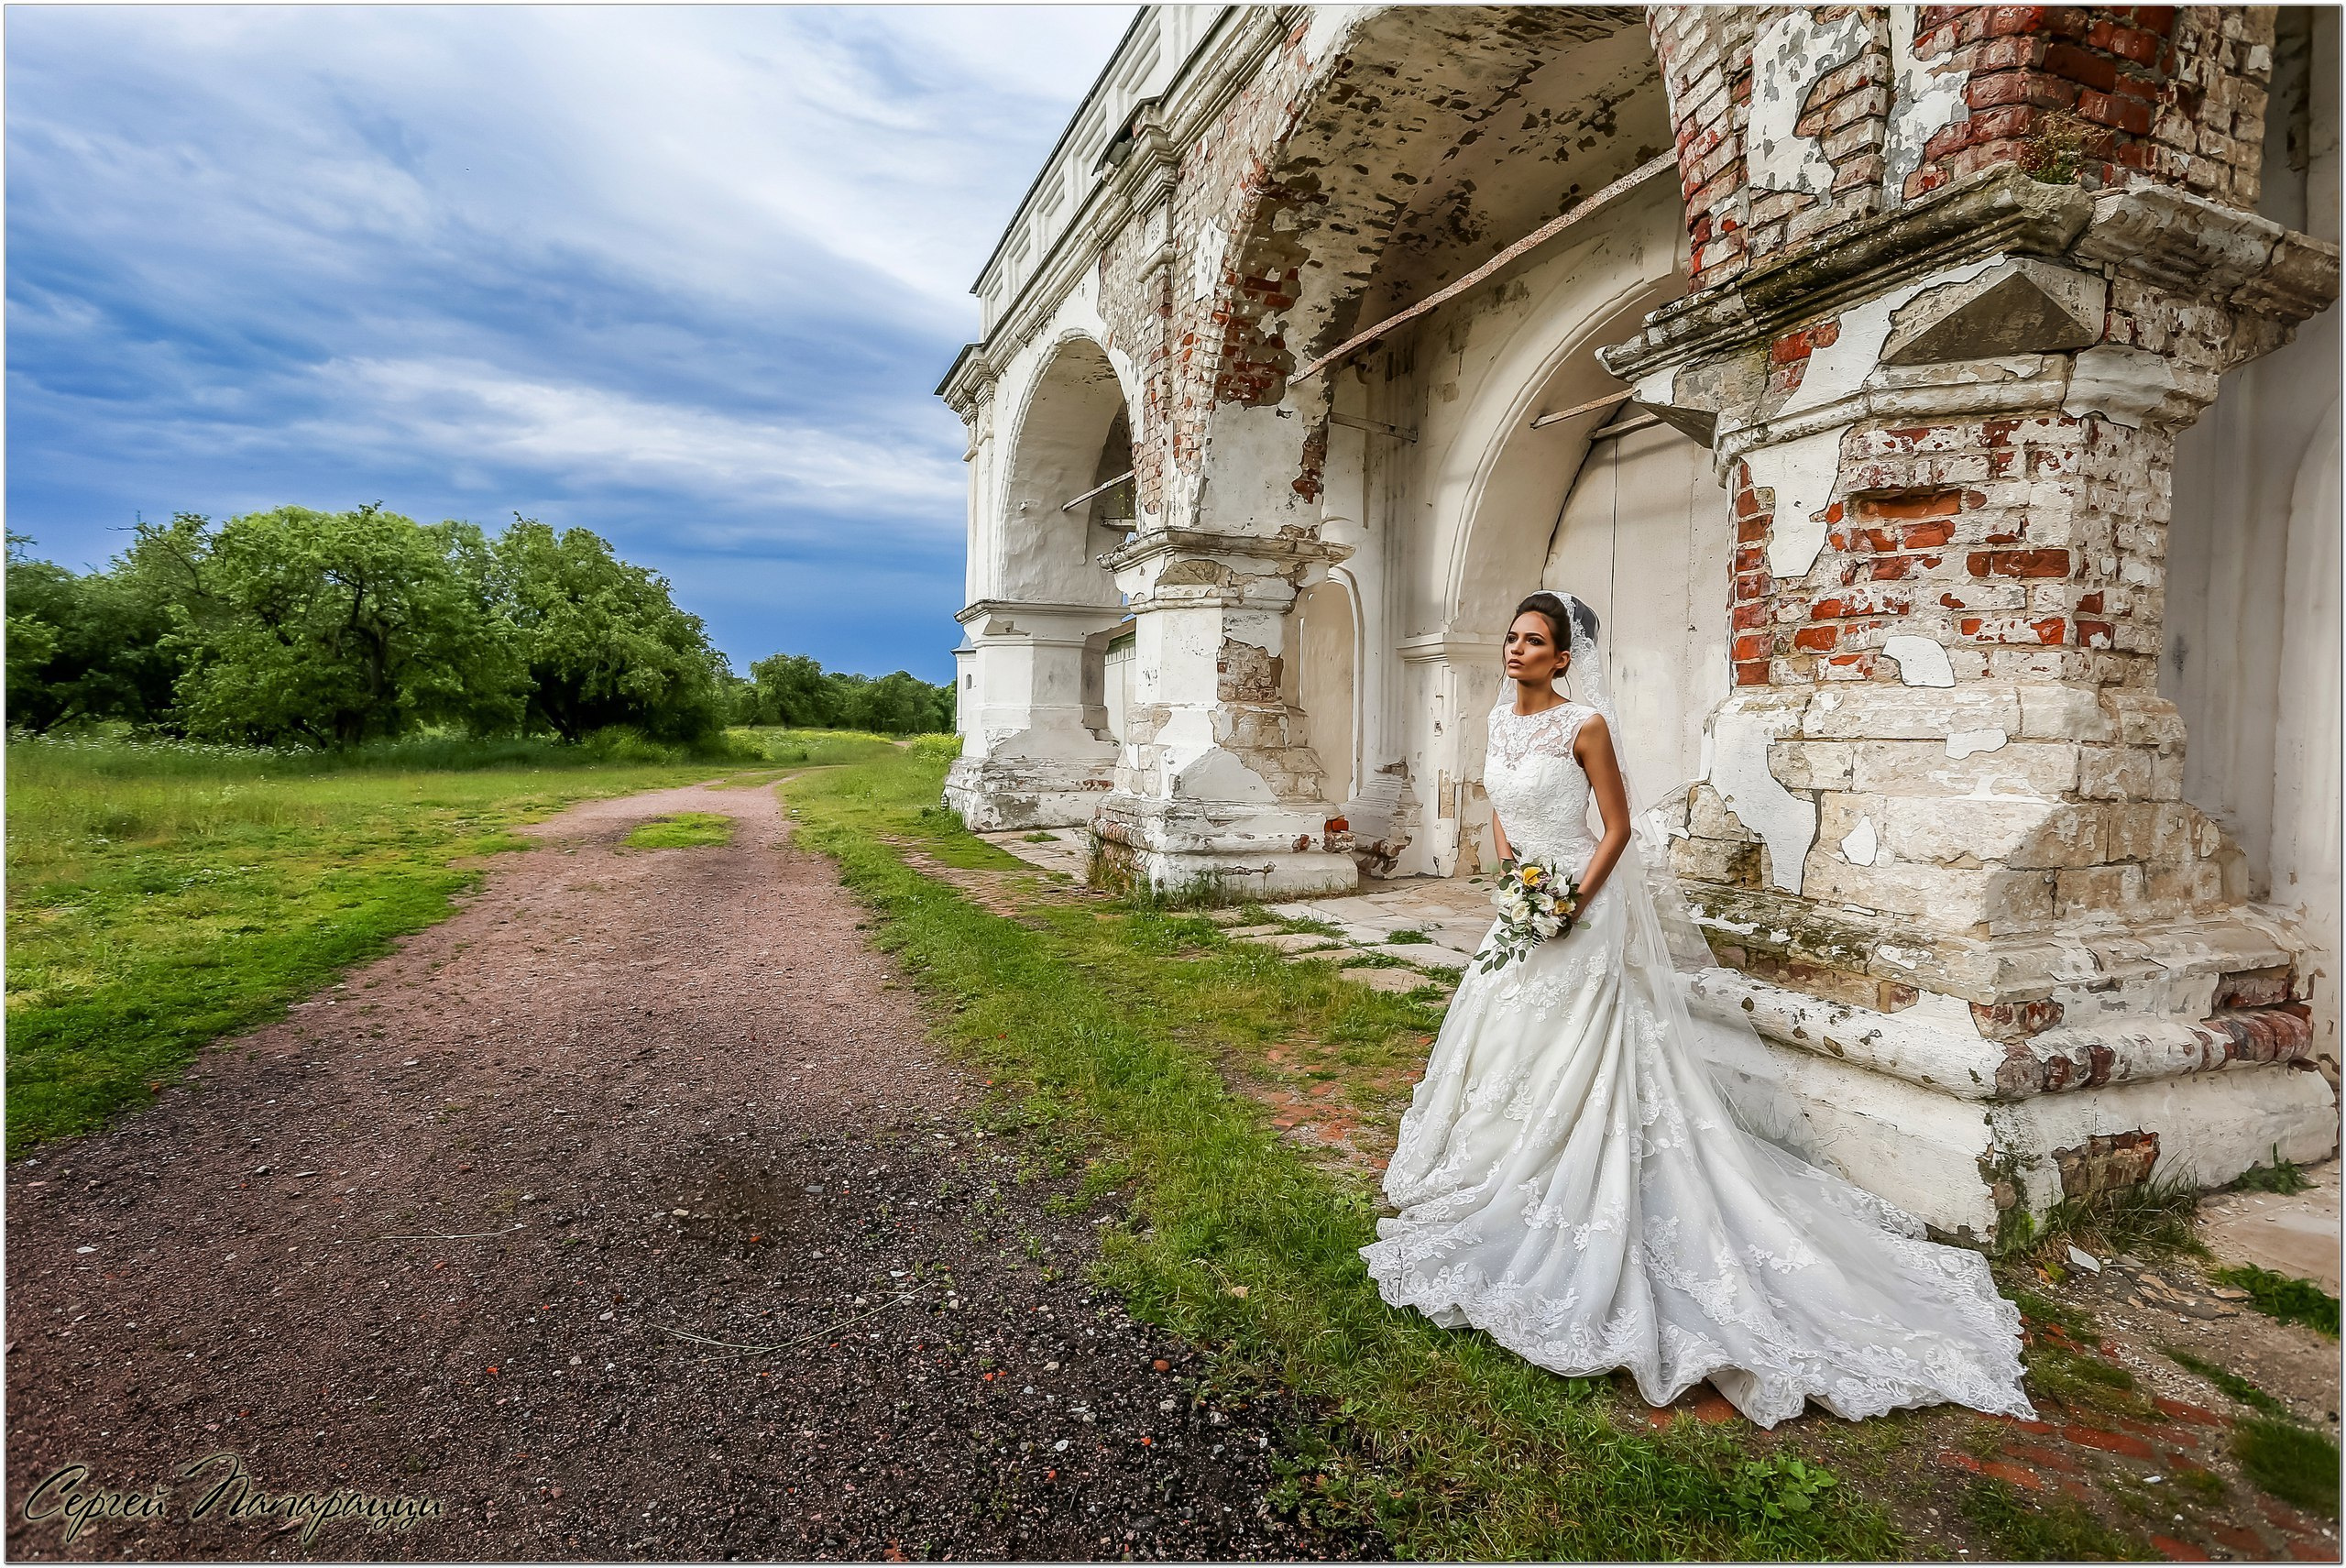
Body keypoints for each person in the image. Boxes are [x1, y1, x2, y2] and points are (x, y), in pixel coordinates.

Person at [1357, 589, 2034, 1428]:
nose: (1517, 649)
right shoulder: (1497, 723)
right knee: (1503, 1028)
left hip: (1584, 905)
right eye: (1512, 636)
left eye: (1535, 641)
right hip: (1523, 902)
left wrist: (1569, 901)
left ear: (1565, 656)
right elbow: (1502, 814)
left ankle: (1578, 1166)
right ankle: (1496, 1162)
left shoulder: (1586, 725)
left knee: (1581, 1042)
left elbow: (1615, 829)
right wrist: (1516, 881)